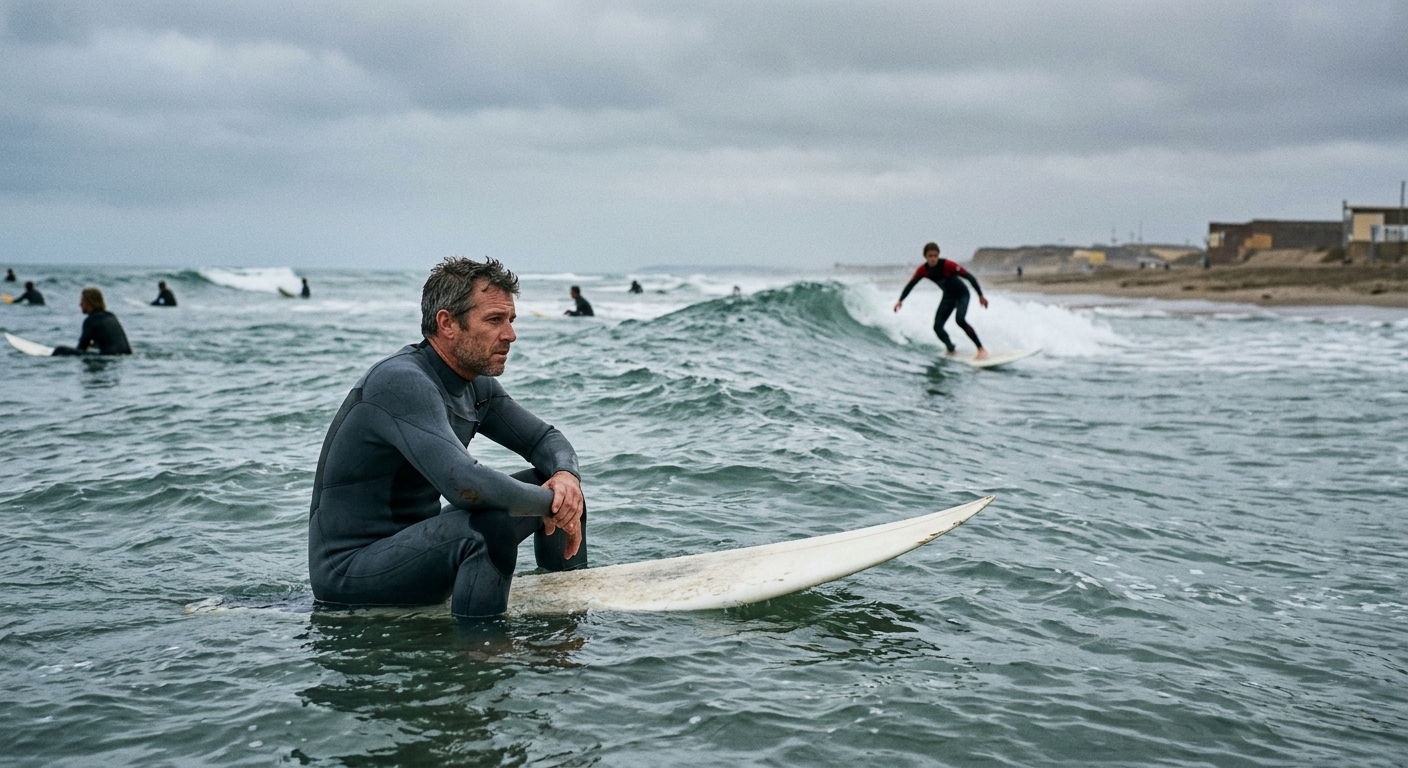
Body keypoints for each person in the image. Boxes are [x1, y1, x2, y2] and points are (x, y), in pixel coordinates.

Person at [308, 257, 585, 618]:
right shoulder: (400, 382)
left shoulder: (475, 385)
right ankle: (478, 658)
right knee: (489, 529)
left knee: (561, 488)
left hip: (415, 547)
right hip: (349, 573)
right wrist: (551, 503)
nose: (510, 334)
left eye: (511, 321)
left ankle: (567, 612)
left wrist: (565, 480)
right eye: (494, 320)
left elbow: (545, 440)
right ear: (447, 323)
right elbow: (466, 485)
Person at [893, 242, 989, 359]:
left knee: (960, 320)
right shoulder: (923, 270)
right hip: (948, 297)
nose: (933, 258)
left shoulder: (948, 265)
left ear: (938, 255)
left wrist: (980, 295)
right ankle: (951, 348)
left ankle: (981, 349)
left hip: (962, 294)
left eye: (935, 255)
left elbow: (969, 277)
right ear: (925, 256)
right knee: (937, 327)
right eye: (930, 256)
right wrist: (900, 300)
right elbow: (911, 285)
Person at [51, 288, 132, 356]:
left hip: (109, 356)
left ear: (90, 302)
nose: (80, 304)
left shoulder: (90, 321)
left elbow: (81, 348)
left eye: (82, 301)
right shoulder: (111, 316)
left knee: (60, 350)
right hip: (124, 356)